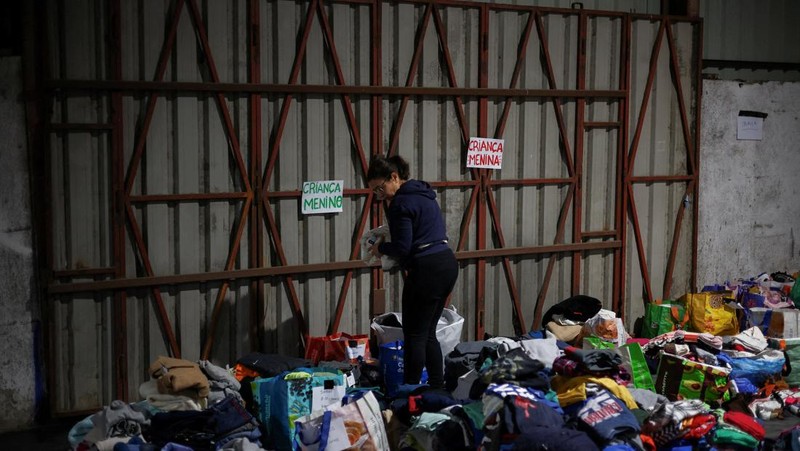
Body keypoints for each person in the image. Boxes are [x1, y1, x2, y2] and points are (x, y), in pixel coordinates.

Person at [366, 155, 458, 388]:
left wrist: (380, 248)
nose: (379, 195)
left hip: (426, 270)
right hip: (446, 263)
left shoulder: (399, 203)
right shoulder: (424, 195)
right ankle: (437, 386)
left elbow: (402, 247)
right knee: (428, 333)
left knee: (415, 334)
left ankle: (410, 389)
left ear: (394, 177)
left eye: (380, 188)